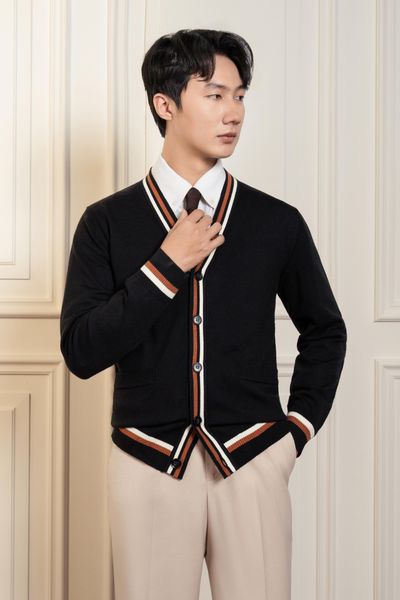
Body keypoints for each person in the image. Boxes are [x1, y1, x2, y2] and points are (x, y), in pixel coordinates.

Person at [60, 28, 347, 600]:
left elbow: (326, 330)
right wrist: (165, 265)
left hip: (253, 460)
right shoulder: (106, 222)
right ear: (165, 105)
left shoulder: (276, 221)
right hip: (147, 463)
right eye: (214, 95)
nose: (233, 112)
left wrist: (295, 433)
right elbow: (82, 351)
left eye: (239, 96)